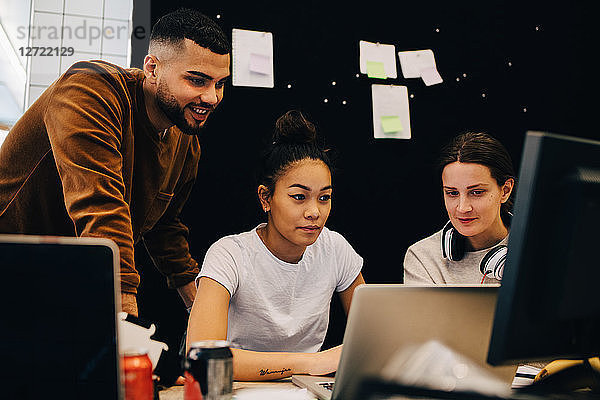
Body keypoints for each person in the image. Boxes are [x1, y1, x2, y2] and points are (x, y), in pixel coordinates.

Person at [0, 8, 231, 316]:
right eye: (197, 81)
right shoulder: (89, 89)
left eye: (219, 83)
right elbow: (99, 202)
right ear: (152, 69)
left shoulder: (185, 143)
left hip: (61, 278)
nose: (212, 97)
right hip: (10, 265)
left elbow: (164, 227)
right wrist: (124, 308)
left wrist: (199, 307)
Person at [187, 110, 365, 381]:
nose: (314, 212)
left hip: (307, 390)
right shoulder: (230, 254)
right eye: (298, 197)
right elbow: (202, 357)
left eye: (324, 197)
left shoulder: (335, 248)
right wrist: (312, 362)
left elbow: (373, 340)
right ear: (265, 198)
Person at [403, 132, 516, 284]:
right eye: (452, 193)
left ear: (505, 190)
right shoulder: (424, 257)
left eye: (476, 192)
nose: (463, 208)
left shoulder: (542, 251)